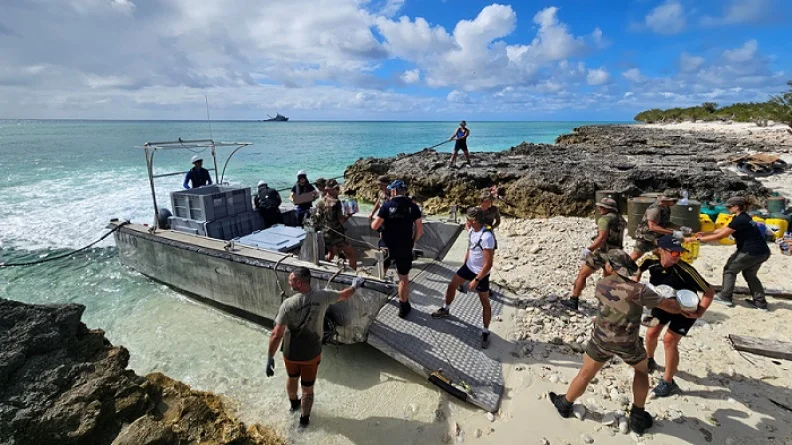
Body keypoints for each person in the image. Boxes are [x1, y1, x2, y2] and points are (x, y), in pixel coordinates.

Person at [548, 249, 682, 436]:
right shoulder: (640, 291)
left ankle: (565, 403)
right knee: (641, 371)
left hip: (601, 338)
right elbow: (671, 307)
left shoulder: (602, 284)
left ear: (611, 267)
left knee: (585, 373)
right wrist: (681, 304)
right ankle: (637, 416)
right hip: (628, 342)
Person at [266, 267, 365, 428]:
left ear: (299, 282)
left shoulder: (287, 305)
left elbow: (276, 335)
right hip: (311, 353)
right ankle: (304, 421)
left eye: (291, 280)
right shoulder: (323, 296)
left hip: (290, 352)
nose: (289, 282)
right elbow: (344, 295)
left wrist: (270, 358)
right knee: (308, 389)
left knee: (292, 378)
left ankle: (293, 405)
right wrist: (355, 285)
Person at [637, 235, 715, 397]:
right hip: (663, 302)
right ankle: (650, 359)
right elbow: (637, 269)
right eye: (673, 253)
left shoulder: (685, 270)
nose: (677, 257)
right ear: (661, 251)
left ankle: (668, 382)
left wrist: (699, 311)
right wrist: (635, 284)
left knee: (669, 340)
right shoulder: (650, 260)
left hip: (685, 308)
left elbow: (709, 291)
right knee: (651, 332)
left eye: (679, 253)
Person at [688, 196, 771, 310]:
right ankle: (760, 303)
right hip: (763, 251)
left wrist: (696, 240)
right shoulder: (743, 217)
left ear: (736, 207)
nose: (727, 208)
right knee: (750, 274)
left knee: (729, 269)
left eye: (729, 206)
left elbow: (721, 236)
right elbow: (723, 229)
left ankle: (725, 297)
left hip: (751, 251)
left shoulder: (740, 220)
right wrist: (705, 233)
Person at [432, 207, 495, 349]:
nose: (465, 220)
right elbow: (470, 247)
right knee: (451, 285)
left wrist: (476, 280)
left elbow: (489, 264)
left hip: (481, 274)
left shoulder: (487, 237)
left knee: (484, 301)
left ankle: (485, 331)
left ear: (474, 220)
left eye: (468, 218)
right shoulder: (472, 229)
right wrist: (465, 262)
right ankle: (446, 309)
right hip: (468, 267)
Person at [371, 179, 424, 318]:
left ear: (393, 191)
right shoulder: (414, 207)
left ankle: (376, 296)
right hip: (405, 247)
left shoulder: (387, 206)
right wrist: (412, 242)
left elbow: (375, 226)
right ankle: (403, 306)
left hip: (387, 247)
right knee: (403, 278)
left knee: (382, 270)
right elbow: (420, 231)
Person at [563, 197, 627, 311]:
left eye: (601, 207)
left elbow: (602, 238)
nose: (599, 209)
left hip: (602, 254)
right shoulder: (621, 220)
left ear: (607, 208)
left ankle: (574, 300)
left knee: (582, 275)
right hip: (616, 254)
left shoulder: (604, 220)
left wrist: (589, 249)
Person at [631, 190, 691, 260]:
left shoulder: (666, 208)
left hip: (656, 237)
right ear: (668, 200)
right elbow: (653, 227)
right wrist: (673, 233)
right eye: (674, 201)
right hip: (645, 237)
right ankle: (621, 268)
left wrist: (681, 228)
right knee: (635, 257)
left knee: (662, 257)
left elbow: (665, 223)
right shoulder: (655, 209)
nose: (676, 203)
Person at [315, 179, 357, 270]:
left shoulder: (320, 202)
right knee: (351, 253)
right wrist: (349, 214)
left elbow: (318, 218)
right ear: (330, 190)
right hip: (336, 235)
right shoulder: (336, 202)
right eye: (336, 188)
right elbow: (341, 221)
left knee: (331, 253)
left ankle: (324, 268)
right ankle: (354, 273)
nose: (338, 190)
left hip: (326, 235)